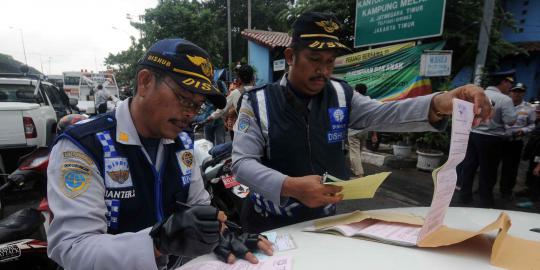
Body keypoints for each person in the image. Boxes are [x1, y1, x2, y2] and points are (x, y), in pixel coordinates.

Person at [231, 11, 492, 233]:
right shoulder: (257, 103)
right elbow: (242, 163)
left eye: (330, 62)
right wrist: (289, 186)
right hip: (269, 226)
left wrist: (440, 103)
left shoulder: (342, 95)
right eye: (314, 59)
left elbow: (386, 114)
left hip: (326, 222)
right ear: (290, 56)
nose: (323, 71)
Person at [47, 38, 272, 270]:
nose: (190, 114)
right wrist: (157, 241)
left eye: (198, 105)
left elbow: (199, 206)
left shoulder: (183, 143)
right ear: (145, 82)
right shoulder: (84, 146)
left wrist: (224, 234)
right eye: (184, 99)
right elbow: (72, 248)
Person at [457, 71, 517, 208]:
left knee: (469, 166)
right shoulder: (505, 99)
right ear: (503, 82)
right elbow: (511, 121)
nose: (510, 87)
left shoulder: (477, 95)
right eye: (509, 83)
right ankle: (485, 201)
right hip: (492, 139)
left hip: (473, 135)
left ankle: (464, 196)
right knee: (488, 170)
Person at [500, 83, 535, 199]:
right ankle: (486, 187)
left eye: (520, 91)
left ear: (524, 93)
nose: (516, 94)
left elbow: (533, 125)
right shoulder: (503, 104)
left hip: (515, 141)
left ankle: (506, 191)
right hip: (499, 140)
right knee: (491, 165)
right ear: (510, 92)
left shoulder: (529, 108)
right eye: (515, 91)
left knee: (511, 168)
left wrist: (523, 130)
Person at [204, 64, 255, 139]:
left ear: (239, 78)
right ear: (253, 77)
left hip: (242, 130)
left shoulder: (235, 92)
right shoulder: (262, 91)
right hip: (258, 130)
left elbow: (223, 107)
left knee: (216, 149)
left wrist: (211, 117)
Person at [347, 83, 369, 178]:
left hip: (353, 130)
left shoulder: (353, 101)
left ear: (356, 90)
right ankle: (354, 168)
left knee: (354, 152)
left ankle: (359, 173)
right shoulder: (368, 100)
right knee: (358, 152)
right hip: (365, 130)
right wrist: (374, 134)